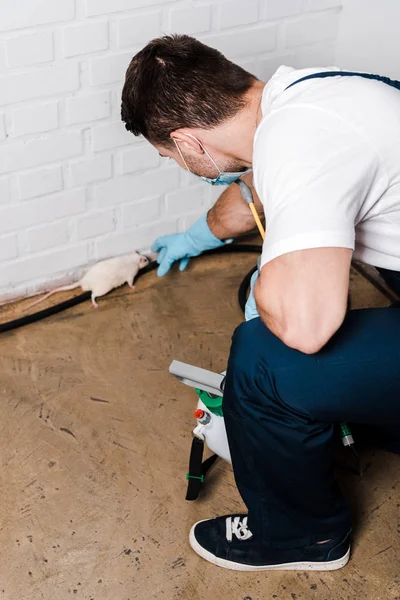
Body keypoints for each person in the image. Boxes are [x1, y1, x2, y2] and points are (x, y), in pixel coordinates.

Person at [121, 35, 400, 571]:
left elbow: (306, 327)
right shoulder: (301, 99)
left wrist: (268, 291)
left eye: (168, 156)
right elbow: (257, 191)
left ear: (187, 142)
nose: (176, 164)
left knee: (261, 362)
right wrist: (197, 236)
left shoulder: (298, 141)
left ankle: (303, 537)